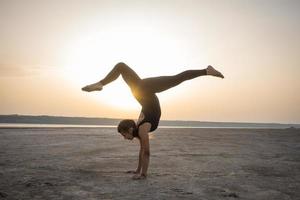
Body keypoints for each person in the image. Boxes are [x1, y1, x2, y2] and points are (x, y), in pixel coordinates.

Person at [82, 62, 224, 180]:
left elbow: (147, 152)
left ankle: (207, 71)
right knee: (121, 67)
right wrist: (137, 170)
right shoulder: (139, 130)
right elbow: (142, 150)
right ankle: (100, 84)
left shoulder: (142, 128)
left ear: (130, 130)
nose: (124, 138)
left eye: (124, 135)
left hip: (144, 90)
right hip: (141, 92)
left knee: (177, 78)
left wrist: (143, 175)